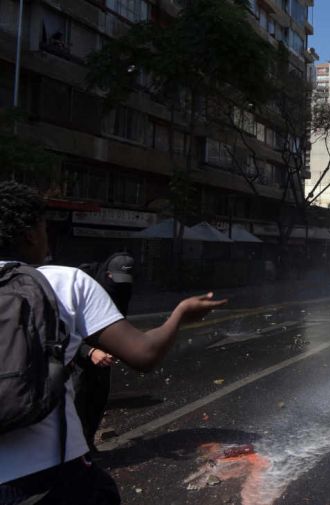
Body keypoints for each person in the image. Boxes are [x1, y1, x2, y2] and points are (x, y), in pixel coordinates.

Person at [0, 181, 226, 505]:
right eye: (43, 227)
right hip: (51, 476)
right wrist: (180, 315)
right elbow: (144, 354)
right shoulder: (65, 281)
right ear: (30, 235)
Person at [74, 252, 135, 450]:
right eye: (114, 279)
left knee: (98, 397)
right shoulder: (82, 284)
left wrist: (116, 347)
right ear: (107, 272)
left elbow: (119, 320)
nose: (118, 284)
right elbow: (64, 330)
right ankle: (76, 451)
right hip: (75, 351)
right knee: (78, 399)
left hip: (103, 350)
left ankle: (88, 444)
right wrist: (88, 351)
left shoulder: (123, 288)